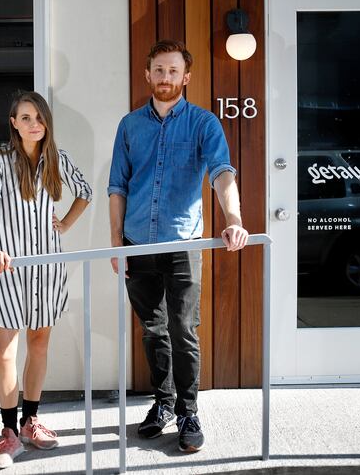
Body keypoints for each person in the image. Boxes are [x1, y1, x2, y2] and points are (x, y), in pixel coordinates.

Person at [108, 40, 248, 453]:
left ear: (186, 77)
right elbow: (117, 185)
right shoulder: (130, 125)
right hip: (135, 243)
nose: (165, 77)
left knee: (182, 329)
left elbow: (222, 173)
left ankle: (189, 411)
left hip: (183, 242)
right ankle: (163, 403)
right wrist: (116, 243)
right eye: (159, 70)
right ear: (147, 74)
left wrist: (234, 220)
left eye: (173, 71)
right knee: (152, 329)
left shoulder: (204, 124)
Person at [0, 91, 92, 469]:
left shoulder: (57, 160)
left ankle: (30, 422)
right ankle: (8, 433)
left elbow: (85, 192)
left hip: (47, 267)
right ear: (13, 122)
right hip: (6, 269)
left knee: (39, 344)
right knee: (4, 351)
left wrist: (66, 225)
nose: (33, 124)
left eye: (39, 117)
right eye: (25, 117)